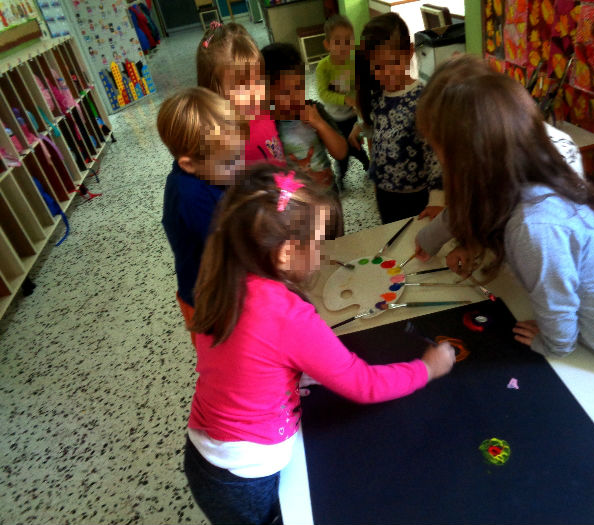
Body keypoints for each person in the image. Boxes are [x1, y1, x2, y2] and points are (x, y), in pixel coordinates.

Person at [413, 55, 594, 422]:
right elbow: (467, 210)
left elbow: (559, 315)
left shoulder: (534, 225)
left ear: (469, 159)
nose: (439, 160)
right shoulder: (522, 168)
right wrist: (435, 238)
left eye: (439, 149)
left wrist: (549, 341)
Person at [183, 164, 455, 524]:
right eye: (316, 243)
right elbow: (363, 384)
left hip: (205, 454)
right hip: (247, 473)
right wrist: (427, 368)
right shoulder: (288, 316)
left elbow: (243, 361)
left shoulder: (219, 280)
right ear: (285, 253)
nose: (320, 254)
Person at [158, 87, 247, 344]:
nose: (240, 166)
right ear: (188, 164)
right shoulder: (191, 196)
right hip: (209, 303)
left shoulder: (210, 172)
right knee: (226, 355)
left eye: (240, 154)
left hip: (223, 287)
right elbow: (235, 246)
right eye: (230, 162)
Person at [350, 13, 442, 224]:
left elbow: (436, 153)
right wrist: (360, 127)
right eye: (378, 67)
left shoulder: (423, 99)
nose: (386, 73)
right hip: (385, 195)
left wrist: (437, 199)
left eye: (393, 63)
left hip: (417, 197)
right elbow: (380, 126)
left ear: (409, 52)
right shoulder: (377, 95)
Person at [262, 42, 348, 189]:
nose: (295, 97)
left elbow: (341, 152)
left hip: (328, 195)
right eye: (285, 92)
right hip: (295, 200)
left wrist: (320, 124)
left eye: (299, 87)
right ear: (267, 92)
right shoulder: (268, 124)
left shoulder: (315, 110)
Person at [197, 21, 284, 165]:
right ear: (212, 91)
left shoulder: (262, 111)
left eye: (258, 80)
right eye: (242, 87)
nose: (255, 93)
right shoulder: (225, 145)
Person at [315, 14, 370, 189]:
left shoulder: (354, 64)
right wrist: (344, 99)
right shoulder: (323, 67)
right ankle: (341, 176)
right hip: (334, 119)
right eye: (337, 42)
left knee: (357, 146)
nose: (343, 47)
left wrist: (359, 101)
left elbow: (358, 87)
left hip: (352, 117)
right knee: (342, 152)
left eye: (347, 41)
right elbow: (323, 93)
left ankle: (368, 165)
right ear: (327, 44)